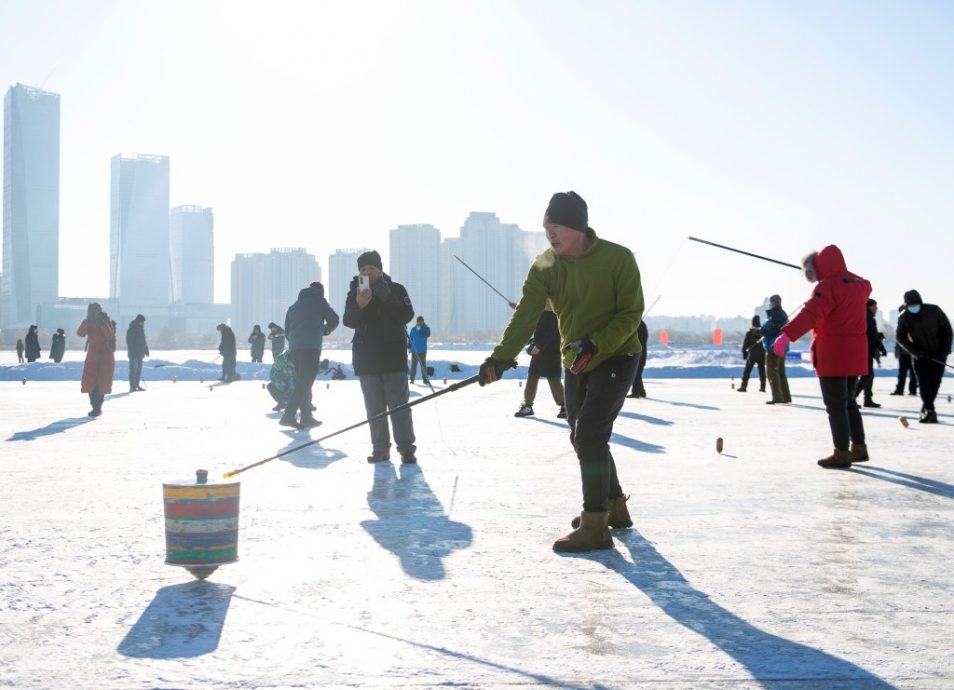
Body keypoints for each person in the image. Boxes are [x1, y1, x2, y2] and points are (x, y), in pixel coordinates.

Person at [479, 191, 644, 553]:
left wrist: (596, 342)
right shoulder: (544, 265)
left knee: (588, 435)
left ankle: (595, 524)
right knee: (583, 436)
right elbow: (526, 315)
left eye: (556, 227)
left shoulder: (618, 259)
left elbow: (631, 314)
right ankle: (613, 505)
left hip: (616, 355)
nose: (550, 234)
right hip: (576, 361)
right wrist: (500, 358)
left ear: (578, 226)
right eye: (546, 228)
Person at [773, 246, 870, 468]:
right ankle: (859, 448)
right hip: (855, 352)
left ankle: (842, 453)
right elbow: (863, 285)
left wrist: (787, 335)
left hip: (834, 353)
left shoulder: (828, 287)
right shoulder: (858, 285)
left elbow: (811, 314)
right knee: (849, 402)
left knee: (835, 405)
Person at [343, 250, 417, 464]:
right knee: (374, 409)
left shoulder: (396, 289)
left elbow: (406, 315)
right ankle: (380, 449)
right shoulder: (355, 291)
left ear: (380, 269)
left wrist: (386, 297)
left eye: (371, 268)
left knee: (399, 407)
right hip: (367, 360)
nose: (368, 272)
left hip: (393, 357)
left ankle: (406, 449)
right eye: (363, 269)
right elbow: (348, 320)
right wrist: (359, 305)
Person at [281, 281, 339, 429]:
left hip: (294, 349)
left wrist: (295, 341)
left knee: (303, 381)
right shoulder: (319, 301)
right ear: (321, 291)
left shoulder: (293, 307)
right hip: (310, 348)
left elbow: (286, 330)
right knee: (305, 382)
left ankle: (306, 416)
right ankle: (288, 415)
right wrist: (325, 330)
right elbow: (334, 319)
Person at [895, 290, 952, 424]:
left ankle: (926, 408)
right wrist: (916, 352)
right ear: (906, 305)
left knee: (934, 383)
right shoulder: (904, 316)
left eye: (915, 304)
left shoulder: (934, 310)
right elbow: (900, 336)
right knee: (924, 383)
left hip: (938, 355)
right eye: (910, 305)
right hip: (920, 357)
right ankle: (930, 411)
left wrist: (944, 351)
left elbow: (947, 331)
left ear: (920, 302)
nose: (913, 307)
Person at [514, 302, 566, 419]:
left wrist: (539, 346)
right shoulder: (541, 312)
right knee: (532, 377)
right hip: (539, 351)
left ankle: (565, 407)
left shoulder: (552, 313)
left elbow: (553, 332)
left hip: (551, 352)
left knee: (553, 379)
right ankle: (527, 406)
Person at [77, 303, 116, 417]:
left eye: (95, 311)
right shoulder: (88, 321)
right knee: (90, 382)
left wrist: (103, 323)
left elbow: (110, 336)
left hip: (105, 355)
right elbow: (80, 333)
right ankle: (95, 406)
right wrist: (86, 321)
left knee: (101, 383)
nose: (93, 313)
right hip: (93, 355)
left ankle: (97, 408)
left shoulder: (106, 320)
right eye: (91, 311)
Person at [853, 299, 887, 408]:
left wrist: (878, 335)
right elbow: (872, 335)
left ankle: (867, 399)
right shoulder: (868, 317)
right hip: (865, 350)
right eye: (875, 306)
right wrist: (882, 348)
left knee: (869, 375)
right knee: (867, 375)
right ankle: (852, 397)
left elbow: (868, 333)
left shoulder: (863, 316)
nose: (876, 309)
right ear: (869, 306)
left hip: (865, 350)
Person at [761, 295, 791, 404]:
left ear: (774, 303)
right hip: (781, 347)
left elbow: (774, 330)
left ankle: (778, 397)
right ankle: (785, 396)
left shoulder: (776, 314)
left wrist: (762, 331)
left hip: (774, 347)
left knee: (772, 372)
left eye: (770, 302)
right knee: (781, 372)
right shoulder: (781, 313)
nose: (769, 304)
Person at [891, 306, 918, 397]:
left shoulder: (913, 322)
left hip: (913, 353)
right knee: (903, 373)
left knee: (912, 373)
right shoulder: (901, 322)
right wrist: (897, 349)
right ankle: (900, 390)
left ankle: (911, 390)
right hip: (905, 353)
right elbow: (899, 339)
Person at [737, 315, 766, 393]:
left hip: (752, 355)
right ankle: (763, 387)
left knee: (747, 371)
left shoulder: (750, 332)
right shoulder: (763, 331)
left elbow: (745, 344)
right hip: (762, 354)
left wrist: (744, 353)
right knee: (762, 371)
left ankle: (743, 386)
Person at [125, 314, 149, 392]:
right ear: (139, 321)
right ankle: (132, 387)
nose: (143, 323)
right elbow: (129, 341)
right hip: (134, 354)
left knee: (138, 370)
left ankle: (137, 385)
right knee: (133, 370)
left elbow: (143, 341)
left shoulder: (141, 329)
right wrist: (131, 350)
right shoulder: (131, 329)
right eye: (142, 322)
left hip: (140, 354)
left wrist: (146, 350)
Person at [627, 320, 650, 398]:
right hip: (642, 353)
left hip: (639, 353)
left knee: (636, 373)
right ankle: (641, 391)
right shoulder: (642, 326)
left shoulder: (638, 326)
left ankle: (636, 392)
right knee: (638, 373)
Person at [408, 316, 431, 384]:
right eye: (418, 322)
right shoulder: (413, 329)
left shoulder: (426, 328)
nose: (419, 323)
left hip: (422, 351)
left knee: (423, 366)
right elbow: (410, 338)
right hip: (414, 350)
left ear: (423, 321)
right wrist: (409, 346)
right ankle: (412, 379)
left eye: (420, 321)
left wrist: (420, 330)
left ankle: (425, 379)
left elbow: (427, 334)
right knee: (413, 366)